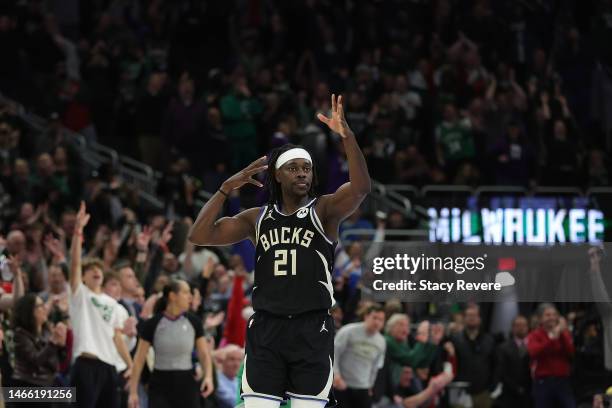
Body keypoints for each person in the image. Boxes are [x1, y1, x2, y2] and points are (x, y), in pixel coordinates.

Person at [189, 94, 371, 408]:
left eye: (307, 168)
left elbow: (361, 188)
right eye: (294, 168)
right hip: (267, 328)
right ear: (277, 174)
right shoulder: (255, 218)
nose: (302, 173)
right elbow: (199, 234)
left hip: (312, 328)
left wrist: (347, 136)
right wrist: (225, 189)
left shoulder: (324, 210)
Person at [68, 202, 134, 408]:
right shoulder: (80, 294)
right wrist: (78, 232)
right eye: (91, 270)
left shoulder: (112, 304)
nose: (96, 272)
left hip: (109, 367)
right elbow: (75, 264)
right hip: (86, 363)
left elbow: (117, 338)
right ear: (84, 277)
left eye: (99, 269)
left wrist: (132, 366)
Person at [127, 279, 214, 408]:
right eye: (185, 292)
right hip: (160, 384)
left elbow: (204, 354)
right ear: (173, 296)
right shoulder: (152, 324)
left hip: (187, 383)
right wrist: (133, 392)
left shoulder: (194, 322)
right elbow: (139, 360)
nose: (190, 296)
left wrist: (208, 377)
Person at [11, 294, 67, 408]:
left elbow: (57, 362)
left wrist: (61, 346)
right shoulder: (20, 335)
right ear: (29, 311)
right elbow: (35, 361)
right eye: (40, 306)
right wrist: (52, 343)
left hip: (47, 384)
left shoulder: (46, 331)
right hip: (25, 388)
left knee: (69, 398)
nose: (45, 308)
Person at [333, 304, 387, 408]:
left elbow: (376, 366)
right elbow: (334, 353)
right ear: (366, 316)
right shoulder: (348, 331)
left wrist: (371, 385)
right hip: (343, 385)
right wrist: (336, 375)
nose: (377, 322)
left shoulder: (381, 341)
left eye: (381, 320)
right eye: (374, 317)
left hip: (363, 387)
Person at [527, 303, 576, 408]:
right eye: (548, 315)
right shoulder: (534, 335)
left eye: (554, 314)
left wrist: (561, 334)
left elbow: (570, 351)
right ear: (540, 319)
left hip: (562, 381)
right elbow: (534, 352)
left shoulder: (564, 333)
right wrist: (552, 338)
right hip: (543, 382)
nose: (552, 318)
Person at [495, 315, 532, 408]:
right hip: (510, 395)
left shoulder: (534, 345)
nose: (521, 328)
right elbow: (502, 371)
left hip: (531, 393)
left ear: (528, 327)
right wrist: (516, 388)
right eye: (518, 325)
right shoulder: (503, 347)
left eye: (523, 325)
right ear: (513, 328)